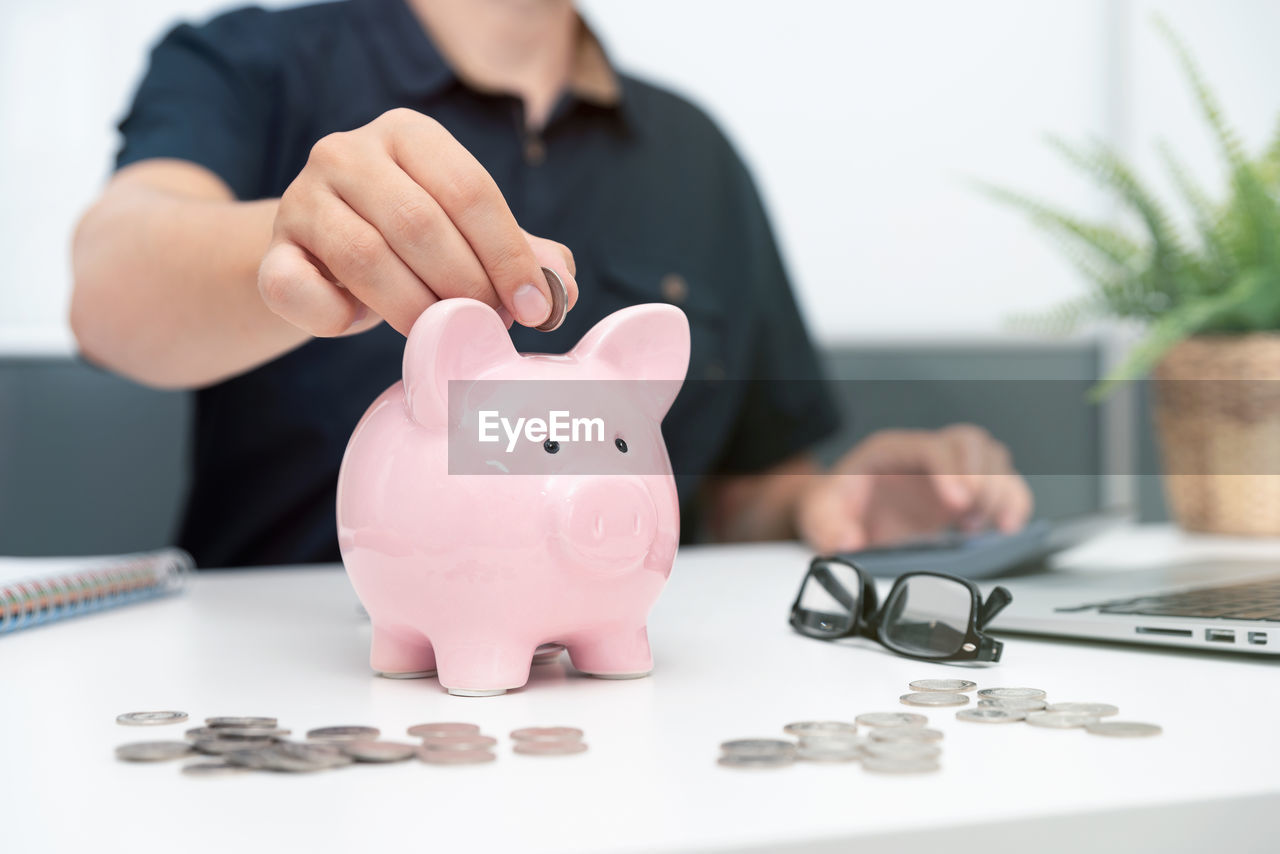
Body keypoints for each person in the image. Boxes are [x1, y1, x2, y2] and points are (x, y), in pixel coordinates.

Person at [70, 0, 1032, 568]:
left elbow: (742, 495)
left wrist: (831, 510)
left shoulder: (693, 153)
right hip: (298, 706)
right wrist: (298, 241)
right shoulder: (249, 65)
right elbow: (111, 288)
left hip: (621, 717)